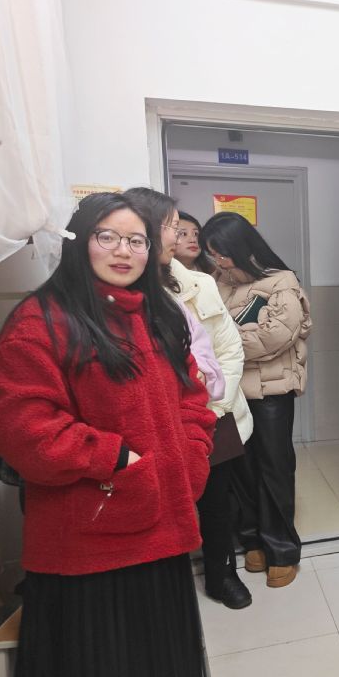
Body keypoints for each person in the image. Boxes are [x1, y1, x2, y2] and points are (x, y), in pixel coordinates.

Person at [0, 193, 216, 677]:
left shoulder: (159, 314)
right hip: (90, 530)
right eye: (107, 237)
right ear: (80, 242)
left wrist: (192, 457)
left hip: (160, 517)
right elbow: (25, 429)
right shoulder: (42, 320)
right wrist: (114, 458)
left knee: (147, 646)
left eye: (137, 240)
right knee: (96, 666)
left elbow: (194, 399)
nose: (124, 251)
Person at [125, 188, 255, 610]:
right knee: (161, 503)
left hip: (214, 413)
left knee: (218, 501)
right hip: (158, 421)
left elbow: (229, 349)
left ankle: (222, 574)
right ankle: (167, 584)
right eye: (171, 226)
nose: (178, 235)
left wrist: (215, 406)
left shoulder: (198, 283)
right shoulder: (125, 292)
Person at [201, 212, 311, 588]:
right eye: (212, 253)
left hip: (272, 393)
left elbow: (276, 337)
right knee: (241, 469)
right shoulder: (216, 283)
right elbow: (203, 333)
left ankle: (282, 550)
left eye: (222, 252)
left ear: (242, 247)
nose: (218, 260)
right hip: (232, 393)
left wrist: (225, 346)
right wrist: (225, 345)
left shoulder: (281, 281)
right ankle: (253, 541)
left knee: (274, 468)